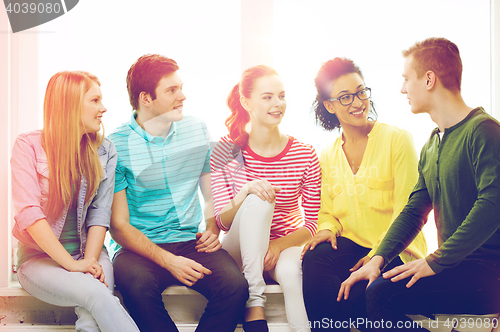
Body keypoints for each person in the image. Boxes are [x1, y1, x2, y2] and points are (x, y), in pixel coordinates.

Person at [338, 38, 500, 331]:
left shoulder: (484, 132)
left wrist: (435, 261)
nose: (402, 89)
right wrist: (378, 258)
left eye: (405, 79)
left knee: (382, 295)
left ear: (429, 79)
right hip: (455, 268)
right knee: (368, 287)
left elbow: (492, 206)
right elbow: (415, 211)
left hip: (487, 276)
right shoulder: (432, 144)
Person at [108, 54, 248, 332]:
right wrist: (170, 261)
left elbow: (211, 194)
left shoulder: (196, 129)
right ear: (146, 98)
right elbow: (119, 226)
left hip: (189, 241)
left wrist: (211, 228)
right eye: (172, 90)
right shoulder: (116, 144)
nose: (182, 96)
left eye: (180, 88)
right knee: (135, 288)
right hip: (138, 249)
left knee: (235, 287)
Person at [301, 58, 428, 331]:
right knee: (315, 255)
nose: (357, 103)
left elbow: (407, 209)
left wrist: (375, 256)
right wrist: (325, 229)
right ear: (330, 105)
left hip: (396, 249)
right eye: (345, 97)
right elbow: (328, 212)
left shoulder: (397, 140)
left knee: (357, 295)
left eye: (361, 92)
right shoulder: (327, 155)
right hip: (354, 247)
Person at [12, 71, 139, 332]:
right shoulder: (27, 146)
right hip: (38, 261)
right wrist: (72, 265)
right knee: (97, 295)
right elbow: (29, 214)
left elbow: (100, 214)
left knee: (91, 317)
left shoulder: (105, 150)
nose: (103, 108)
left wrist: (88, 262)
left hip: (89, 253)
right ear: (70, 104)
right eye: (94, 100)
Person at [211, 65, 321, 332]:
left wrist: (277, 246)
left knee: (292, 276)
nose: (278, 103)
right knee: (260, 194)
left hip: (283, 246)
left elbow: (312, 226)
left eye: (281, 95)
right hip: (238, 249)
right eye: (268, 96)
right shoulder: (225, 150)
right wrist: (245, 191)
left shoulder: (305, 154)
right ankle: (254, 303)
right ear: (246, 102)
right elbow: (222, 222)